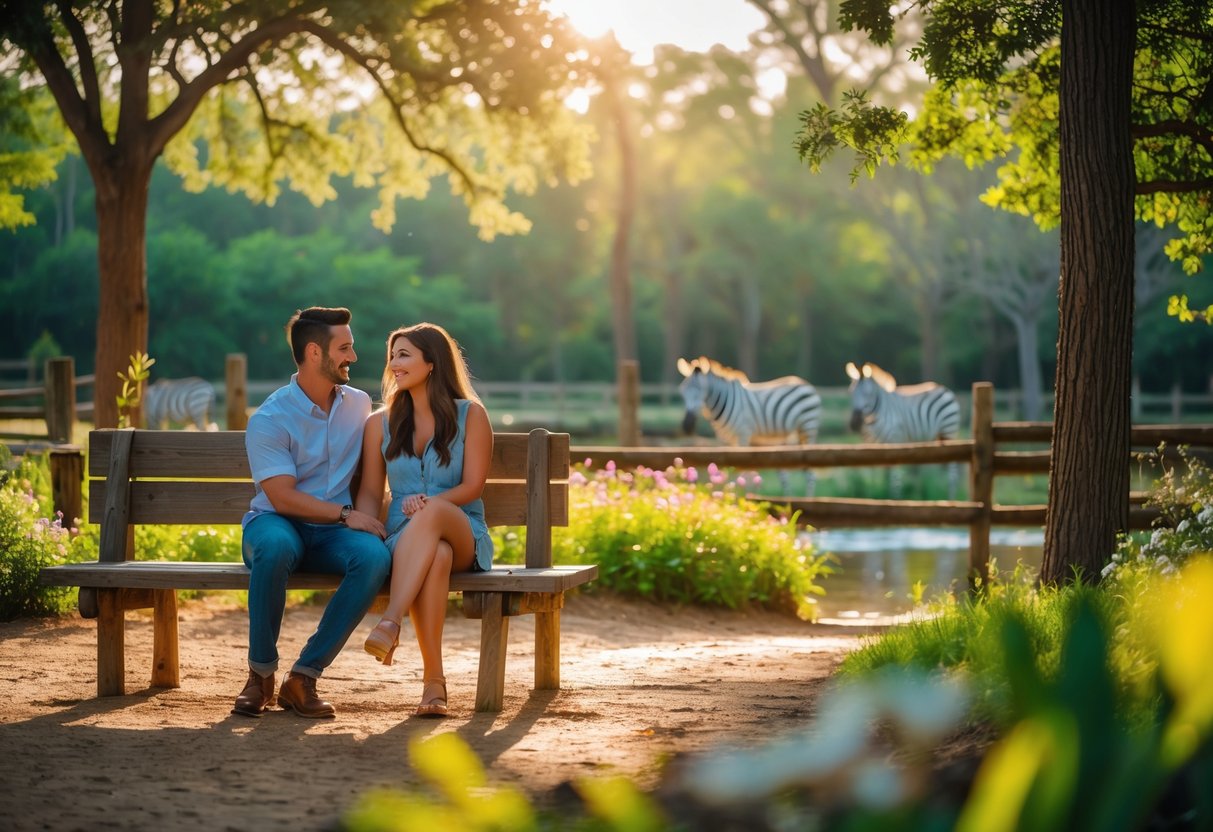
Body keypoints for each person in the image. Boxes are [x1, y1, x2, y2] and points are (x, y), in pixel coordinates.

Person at [233, 307, 392, 719]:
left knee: (374, 556)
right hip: (276, 522)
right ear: (314, 353)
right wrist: (345, 514)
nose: (353, 357)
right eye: (344, 348)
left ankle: (302, 678)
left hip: (330, 536)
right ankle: (261, 674)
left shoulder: (358, 405)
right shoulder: (270, 417)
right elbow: (282, 497)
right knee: (273, 548)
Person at [356, 322, 493, 717]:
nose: (394, 364)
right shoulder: (377, 424)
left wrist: (429, 502)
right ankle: (434, 684)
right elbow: (369, 491)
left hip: (464, 528)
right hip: (405, 538)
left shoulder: (471, 416)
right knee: (438, 557)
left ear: (432, 363)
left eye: (404, 355)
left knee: (438, 525)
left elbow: (472, 487)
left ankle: (390, 620)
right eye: (392, 356)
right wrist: (366, 537)